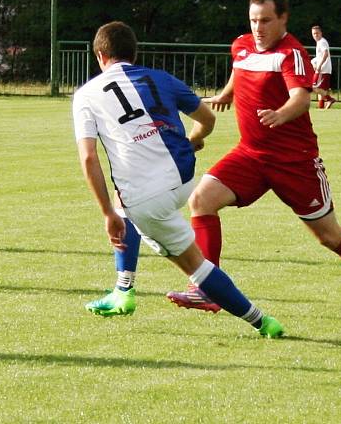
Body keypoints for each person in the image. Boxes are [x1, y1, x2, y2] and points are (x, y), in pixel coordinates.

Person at [166, 0, 341, 314]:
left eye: (266, 20)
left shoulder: (290, 52)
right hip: (251, 154)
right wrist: (226, 95)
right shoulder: (241, 45)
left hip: (295, 163)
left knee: (328, 236)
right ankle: (208, 288)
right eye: (254, 20)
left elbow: (301, 97)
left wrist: (281, 114)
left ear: (283, 19)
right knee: (201, 200)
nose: (258, 27)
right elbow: (240, 69)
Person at [73, 20, 284, 338]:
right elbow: (207, 118)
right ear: (134, 53)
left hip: (148, 196)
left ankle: (262, 321)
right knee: (124, 199)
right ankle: (122, 290)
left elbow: (89, 157)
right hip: (184, 176)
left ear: (100, 56)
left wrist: (106, 215)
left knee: (193, 264)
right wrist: (194, 139)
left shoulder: (87, 94)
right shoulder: (160, 78)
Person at [310, 24, 336, 108]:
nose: (315, 35)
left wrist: (320, 65)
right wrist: (314, 62)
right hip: (324, 68)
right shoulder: (319, 42)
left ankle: (329, 99)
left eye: (317, 33)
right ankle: (321, 107)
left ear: (321, 33)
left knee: (314, 87)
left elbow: (325, 54)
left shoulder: (322, 42)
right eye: (314, 33)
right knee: (321, 89)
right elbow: (320, 56)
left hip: (323, 69)